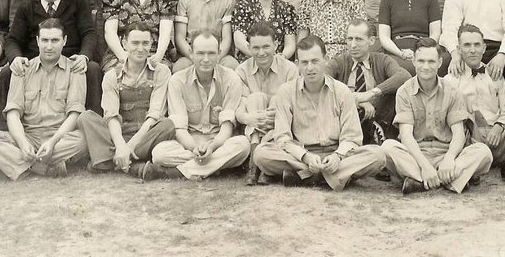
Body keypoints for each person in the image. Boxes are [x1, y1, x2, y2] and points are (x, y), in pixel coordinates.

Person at [252, 36, 386, 190]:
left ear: (326, 60)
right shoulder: (286, 92)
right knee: (261, 154)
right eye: (304, 62)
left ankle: (306, 176)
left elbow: (352, 137)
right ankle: (334, 177)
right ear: (297, 65)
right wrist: (306, 156)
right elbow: (283, 138)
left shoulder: (342, 91)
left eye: (315, 61)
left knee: (378, 156)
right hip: (302, 154)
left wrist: (337, 156)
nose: (310, 68)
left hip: (337, 154)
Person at [0, 18, 89, 179]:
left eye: (55, 40)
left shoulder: (75, 69)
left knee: (84, 139)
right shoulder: (22, 69)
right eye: (45, 40)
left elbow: (74, 114)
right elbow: (13, 113)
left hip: (61, 137)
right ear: (37, 41)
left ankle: (24, 165)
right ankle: (43, 167)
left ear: (64, 41)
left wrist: (53, 142)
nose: (49, 46)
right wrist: (22, 143)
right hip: (28, 135)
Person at [381, 37, 492, 194]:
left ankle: (420, 182)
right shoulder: (404, 91)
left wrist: (449, 159)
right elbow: (406, 136)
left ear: (440, 63)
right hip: (416, 155)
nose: (426, 67)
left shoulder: (452, 91)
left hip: (445, 153)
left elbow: (459, 134)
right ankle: (450, 180)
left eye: (431, 62)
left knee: (483, 152)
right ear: (413, 61)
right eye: (421, 61)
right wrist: (425, 166)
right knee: (387, 148)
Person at [76, 23, 177, 179]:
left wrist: (128, 147)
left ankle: (108, 161)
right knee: (85, 118)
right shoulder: (112, 76)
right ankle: (134, 166)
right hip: (120, 133)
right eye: (135, 43)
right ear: (124, 44)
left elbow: (155, 114)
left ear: (151, 44)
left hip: (147, 134)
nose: (140, 48)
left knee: (168, 125)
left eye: (145, 43)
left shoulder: (161, 72)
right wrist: (121, 145)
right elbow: (111, 116)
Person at [4, 0, 102, 113]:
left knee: (92, 69)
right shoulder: (26, 7)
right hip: (36, 63)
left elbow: (89, 33)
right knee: (8, 72)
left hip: (71, 62)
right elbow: (12, 40)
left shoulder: (78, 2)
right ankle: (10, 125)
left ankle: (92, 122)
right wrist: (15, 58)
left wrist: (84, 56)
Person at [150, 29, 251, 180]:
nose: (205, 59)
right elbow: (179, 128)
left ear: (219, 53)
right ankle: (214, 167)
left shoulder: (231, 79)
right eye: (200, 53)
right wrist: (194, 147)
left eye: (211, 53)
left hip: (218, 142)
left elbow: (227, 127)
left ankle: (178, 172)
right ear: (191, 53)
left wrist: (212, 147)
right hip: (188, 142)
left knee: (242, 145)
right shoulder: (177, 81)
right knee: (159, 153)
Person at [448, 23, 505, 185]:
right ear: (459, 49)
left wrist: (499, 126)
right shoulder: (451, 79)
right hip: (470, 143)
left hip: (500, 139)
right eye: (467, 45)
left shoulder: (494, 74)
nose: (472, 50)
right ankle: (470, 167)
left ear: (484, 48)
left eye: (476, 45)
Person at [235, 21, 300, 185]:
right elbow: (239, 107)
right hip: (253, 127)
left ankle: (259, 165)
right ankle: (257, 164)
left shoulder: (290, 69)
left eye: (266, 46)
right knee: (256, 98)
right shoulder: (242, 71)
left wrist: (275, 115)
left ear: (276, 45)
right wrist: (249, 119)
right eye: (256, 48)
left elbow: (294, 107)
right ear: (249, 47)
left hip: (280, 126)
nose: (261, 52)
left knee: (278, 98)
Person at [325, 18, 410, 145]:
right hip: (345, 121)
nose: (353, 45)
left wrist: (370, 94)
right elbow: (322, 79)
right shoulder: (340, 62)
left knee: (395, 94)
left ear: (371, 41)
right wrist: (357, 100)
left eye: (359, 39)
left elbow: (404, 75)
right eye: (350, 39)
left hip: (379, 120)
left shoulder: (382, 60)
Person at [377, 0, 443, 74]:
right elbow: (384, 37)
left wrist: (420, 51)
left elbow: (435, 33)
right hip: (395, 52)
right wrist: (401, 53)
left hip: (424, 50)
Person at [232, 0, 298, 63]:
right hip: (250, 61)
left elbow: (290, 44)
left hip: (278, 62)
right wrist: (260, 56)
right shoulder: (243, 7)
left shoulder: (286, 9)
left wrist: (282, 57)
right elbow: (239, 40)